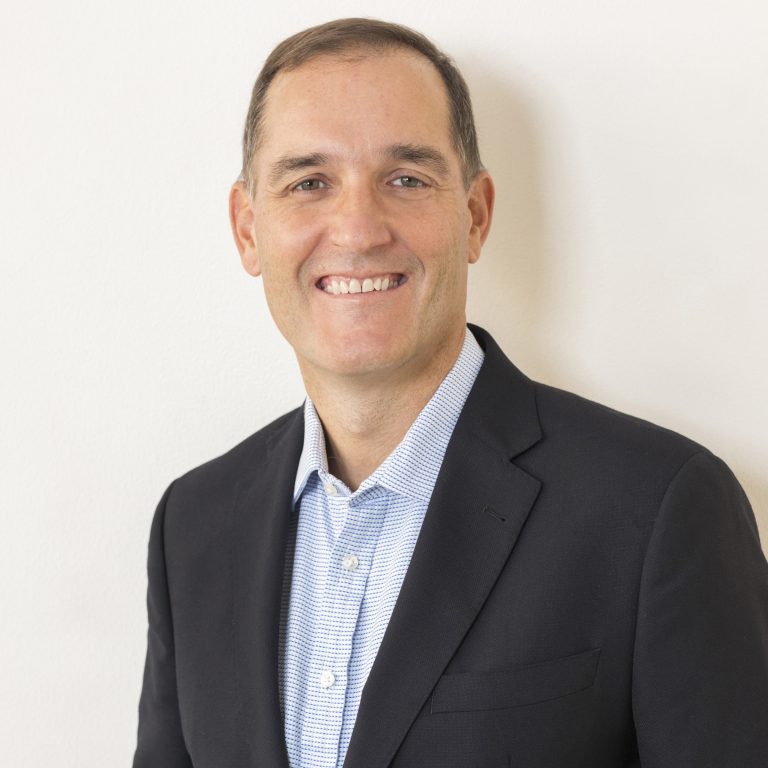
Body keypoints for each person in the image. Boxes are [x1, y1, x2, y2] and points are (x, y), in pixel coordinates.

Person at [132, 18, 768, 768]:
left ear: (475, 215)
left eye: (406, 178)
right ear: (248, 229)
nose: (358, 230)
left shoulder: (659, 508)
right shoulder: (193, 526)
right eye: (309, 182)